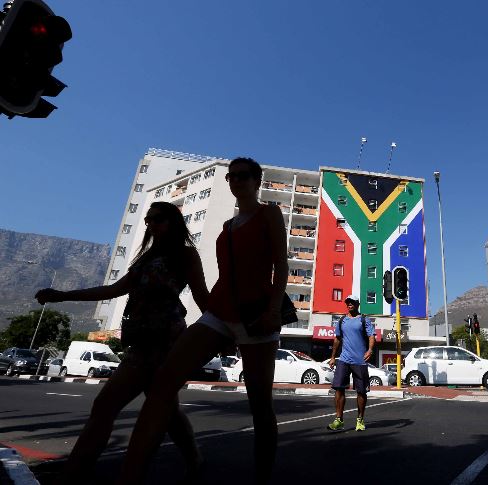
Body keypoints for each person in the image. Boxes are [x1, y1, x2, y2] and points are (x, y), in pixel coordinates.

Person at [116, 157, 288, 485]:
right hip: (219, 311)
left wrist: (273, 310)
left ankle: (262, 478)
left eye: (242, 176)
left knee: (260, 407)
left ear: (256, 181)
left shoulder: (270, 213)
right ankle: (131, 474)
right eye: (231, 176)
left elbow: (281, 264)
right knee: (165, 379)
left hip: (257, 315)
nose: (235, 181)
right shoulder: (226, 227)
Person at [34, 201, 209, 484]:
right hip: (141, 341)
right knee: (165, 410)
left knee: (109, 405)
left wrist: (222, 331)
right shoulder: (146, 259)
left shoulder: (185, 255)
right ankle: (195, 460)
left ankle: (76, 470)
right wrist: (62, 296)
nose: (150, 224)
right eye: (148, 220)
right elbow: (114, 289)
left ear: (173, 222)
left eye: (157, 219)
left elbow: (201, 295)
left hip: (165, 343)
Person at [327, 295, 376, 432]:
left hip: (360, 361)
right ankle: (338, 420)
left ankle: (360, 420)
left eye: (352, 302)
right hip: (343, 359)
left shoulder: (364, 319)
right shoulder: (342, 320)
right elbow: (337, 339)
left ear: (358, 304)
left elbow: (371, 336)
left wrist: (370, 350)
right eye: (348, 302)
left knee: (361, 392)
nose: (350, 304)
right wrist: (332, 357)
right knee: (338, 388)